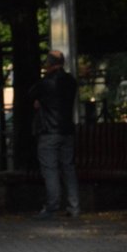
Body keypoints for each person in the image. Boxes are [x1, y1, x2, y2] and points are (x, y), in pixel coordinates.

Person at [30, 50, 80, 219]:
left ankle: (52, 207)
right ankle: (74, 207)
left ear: (49, 64)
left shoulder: (45, 83)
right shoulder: (71, 81)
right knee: (68, 169)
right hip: (67, 131)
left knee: (50, 170)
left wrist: (40, 101)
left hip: (48, 132)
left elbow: (31, 94)